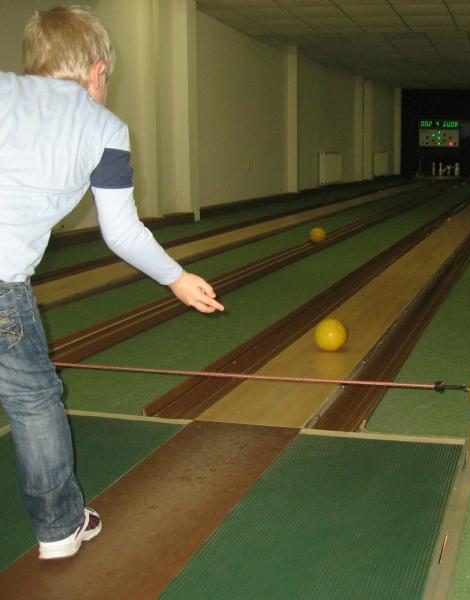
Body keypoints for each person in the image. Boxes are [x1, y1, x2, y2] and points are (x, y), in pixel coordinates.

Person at [0, 6, 224, 560]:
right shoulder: (106, 129)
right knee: (34, 402)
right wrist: (177, 278)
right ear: (98, 71)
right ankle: (59, 529)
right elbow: (121, 231)